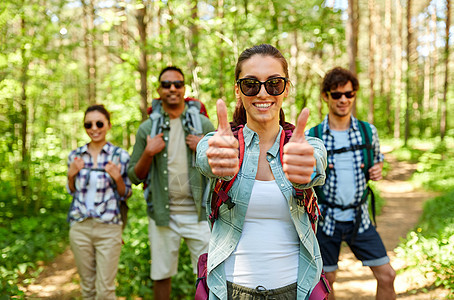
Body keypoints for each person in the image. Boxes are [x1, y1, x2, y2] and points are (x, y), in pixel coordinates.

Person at [196, 44, 327, 299]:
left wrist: (305, 171)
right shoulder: (221, 142)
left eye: (274, 84)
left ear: (286, 89)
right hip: (231, 290)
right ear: (238, 90)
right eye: (251, 84)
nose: (263, 92)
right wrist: (215, 160)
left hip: (296, 289)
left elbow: (315, 163)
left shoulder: (307, 145)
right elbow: (205, 155)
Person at [308, 67, 396, 300]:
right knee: (327, 283)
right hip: (326, 220)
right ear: (326, 96)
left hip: (360, 217)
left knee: (387, 275)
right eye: (336, 95)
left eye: (349, 94)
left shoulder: (368, 132)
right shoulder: (314, 136)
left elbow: (376, 160)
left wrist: (378, 169)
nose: (344, 100)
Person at [127, 66, 215, 300]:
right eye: (166, 85)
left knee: (210, 275)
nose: (172, 89)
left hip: (200, 215)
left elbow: (224, 171)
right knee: (161, 275)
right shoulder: (148, 128)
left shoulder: (204, 125)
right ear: (159, 90)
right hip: (163, 216)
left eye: (177, 84)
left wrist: (203, 149)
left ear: (184, 88)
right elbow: (134, 176)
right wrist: (148, 152)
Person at [67, 104, 132, 299]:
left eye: (99, 123)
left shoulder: (120, 155)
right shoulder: (75, 155)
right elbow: (72, 191)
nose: (94, 128)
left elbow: (126, 193)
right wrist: (71, 176)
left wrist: (118, 178)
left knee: (105, 290)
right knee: (87, 288)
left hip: (109, 228)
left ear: (108, 125)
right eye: (88, 124)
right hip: (80, 228)